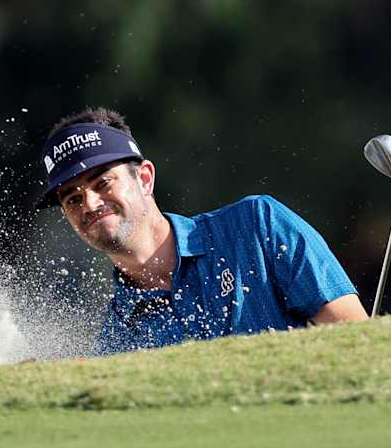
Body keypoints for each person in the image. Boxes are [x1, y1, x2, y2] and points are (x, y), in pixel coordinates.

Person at [35, 107, 369, 356]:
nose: (90, 205)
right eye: (73, 199)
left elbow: (353, 336)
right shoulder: (116, 342)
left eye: (103, 183)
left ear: (145, 178)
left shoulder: (256, 226)